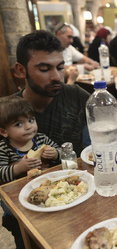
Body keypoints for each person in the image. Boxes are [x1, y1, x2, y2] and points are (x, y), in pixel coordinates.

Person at [13, 30, 117, 156]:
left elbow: (111, 119)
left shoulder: (74, 94)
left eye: (60, 68)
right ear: (21, 70)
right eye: (44, 69)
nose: (57, 77)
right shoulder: (8, 111)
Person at [0, 96, 60, 249]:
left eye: (31, 120)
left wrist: (55, 154)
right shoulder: (4, 148)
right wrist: (18, 168)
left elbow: (62, 153)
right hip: (14, 200)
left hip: (45, 190)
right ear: (4, 131)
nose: (28, 127)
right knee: (25, 235)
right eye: (19, 124)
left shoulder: (41, 139)